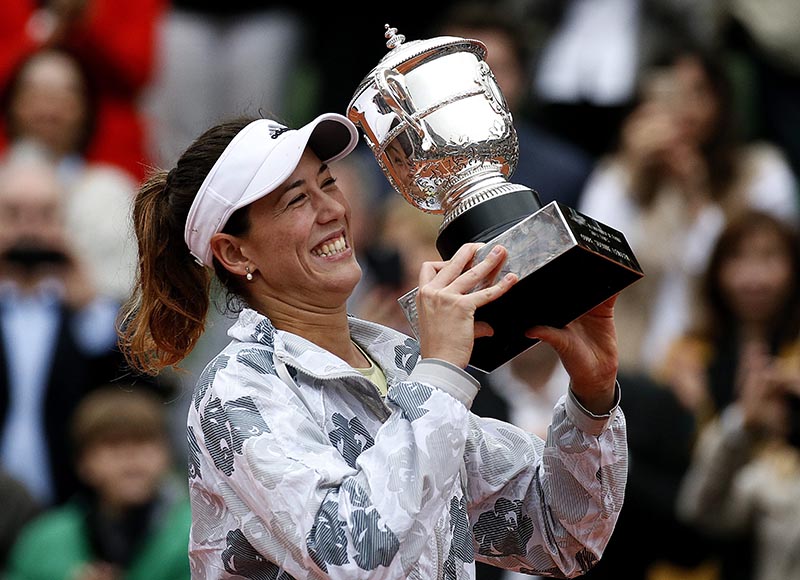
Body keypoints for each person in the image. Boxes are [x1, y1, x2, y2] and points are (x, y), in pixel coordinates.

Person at [117, 111, 627, 579]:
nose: (332, 210)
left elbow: (563, 538)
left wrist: (592, 397)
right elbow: (353, 554)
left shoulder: (404, 365)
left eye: (328, 184)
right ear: (234, 251)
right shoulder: (237, 390)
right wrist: (443, 372)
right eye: (297, 199)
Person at [578, 44, 800, 378]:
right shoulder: (616, 176)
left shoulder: (762, 171)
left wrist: (695, 194)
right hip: (628, 369)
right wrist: (633, 175)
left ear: (722, 101)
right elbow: (590, 266)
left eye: (698, 93)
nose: (683, 110)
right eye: (669, 95)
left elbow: (756, 271)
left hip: (722, 364)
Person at [0, 151, 128, 508]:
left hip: (72, 505)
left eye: (44, 215)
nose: (28, 229)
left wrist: (90, 306)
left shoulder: (93, 313)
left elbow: (135, 389)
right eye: (13, 214)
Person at [4, 385, 192, 580]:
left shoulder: (196, 533)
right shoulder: (45, 539)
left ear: (168, 455)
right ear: (83, 463)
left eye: (143, 442)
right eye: (113, 445)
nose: (131, 457)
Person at [0, 47, 139, 302]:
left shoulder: (112, 193)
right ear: (12, 104)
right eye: (35, 95)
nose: (48, 110)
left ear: (87, 109)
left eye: (64, 97)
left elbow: (127, 307)